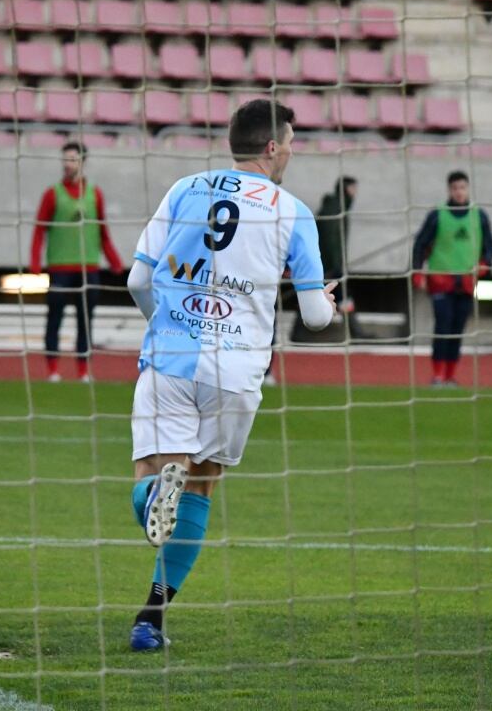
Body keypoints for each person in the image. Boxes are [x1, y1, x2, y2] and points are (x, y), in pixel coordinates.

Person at [125, 99, 338, 651]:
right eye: (290, 142)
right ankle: (150, 621)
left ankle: (152, 499)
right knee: (202, 484)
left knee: (152, 472)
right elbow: (314, 317)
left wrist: (167, 323)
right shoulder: (293, 212)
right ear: (272, 148)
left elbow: (136, 281)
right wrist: (329, 303)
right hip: (238, 370)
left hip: (171, 354)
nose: (291, 150)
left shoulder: (183, 188)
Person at [29, 141, 125, 382]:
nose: (67, 164)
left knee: (85, 321)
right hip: (60, 268)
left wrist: (114, 260)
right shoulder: (52, 194)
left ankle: (83, 371)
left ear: (83, 161)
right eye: (64, 159)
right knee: (54, 319)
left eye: (72, 159)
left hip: (88, 268)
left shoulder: (95, 194)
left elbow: (102, 231)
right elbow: (39, 230)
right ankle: (53, 369)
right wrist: (35, 263)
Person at [411, 170, 492, 387]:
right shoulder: (437, 215)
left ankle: (450, 375)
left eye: (463, 188)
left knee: (458, 328)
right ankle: (437, 374)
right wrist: (417, 271)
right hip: (441, 280)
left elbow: (489, 248)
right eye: (455, 188)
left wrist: (485, 265)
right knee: (443, 326)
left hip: (467, 282)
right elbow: (420, 244)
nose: (459, 192)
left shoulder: (479, 215)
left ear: (468, 189)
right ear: (449, 190)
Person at [315, 175, 358, 309]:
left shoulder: (341, 207)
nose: (355, 192)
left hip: (332, 265)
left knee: (323, 297)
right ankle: (354, 329)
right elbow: (329, 239)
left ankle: (353, 329)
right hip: (329, 266)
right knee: (321, 296)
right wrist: (334, 266)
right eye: (353, 188)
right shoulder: (334, 208)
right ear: (346, 189)